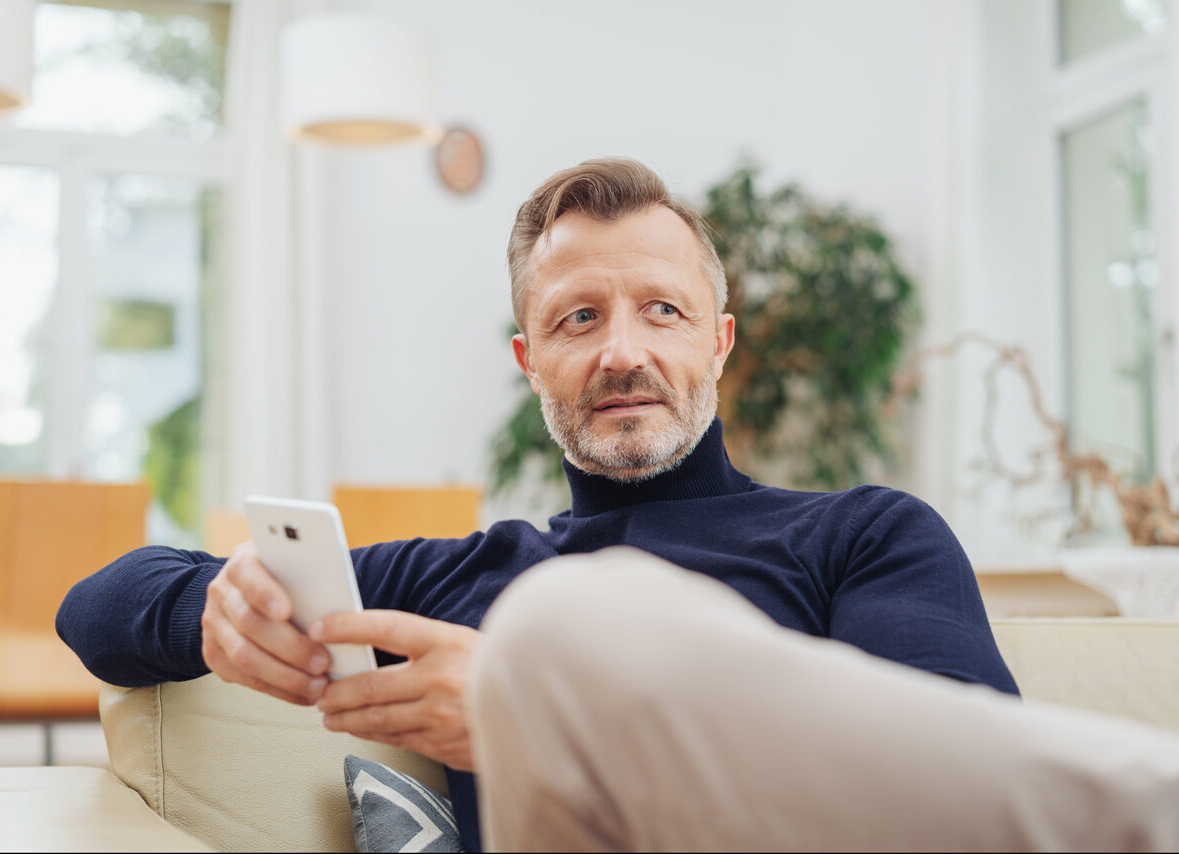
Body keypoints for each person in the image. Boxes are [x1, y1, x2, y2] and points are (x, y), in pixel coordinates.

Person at [59, 157, 1021, 852]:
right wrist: (220, 607)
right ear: (530, 364)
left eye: (663, 310)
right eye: (577, 318)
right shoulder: (462, 577)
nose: (622, 353)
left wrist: (544, 724)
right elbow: (95, 611)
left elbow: (971, 790)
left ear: (718, 343)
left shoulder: (859, 536)